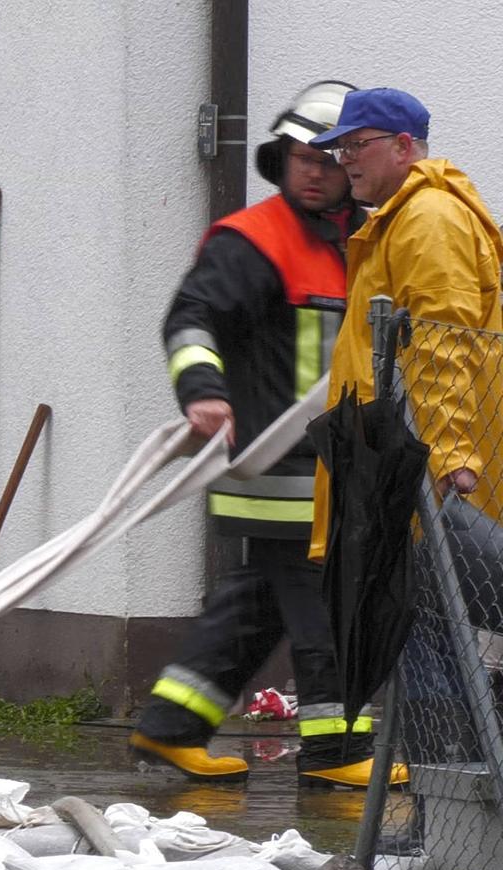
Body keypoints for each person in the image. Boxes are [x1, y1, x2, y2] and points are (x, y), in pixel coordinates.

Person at [131, 81, 398, 788]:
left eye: (326, 157)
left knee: (254, 607)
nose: (310, 170)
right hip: (284, 470)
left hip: (331, 468)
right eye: (296, 157)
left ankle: (171, 726)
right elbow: (190, 322)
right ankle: (337, 754)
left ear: (351, 163)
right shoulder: (253, 242)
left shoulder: (364, 241)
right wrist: (204, 394)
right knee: (330, 601)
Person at [308, 88, 503, 552]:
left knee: (421, 616)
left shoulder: (428, 219)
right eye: (342, 148)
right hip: (397, 466)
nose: (345, 160)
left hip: (419, 476)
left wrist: (451, 454)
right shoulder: (401, 219)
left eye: (357, 145)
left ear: (402, 145)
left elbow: (442, 340)